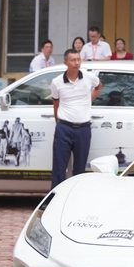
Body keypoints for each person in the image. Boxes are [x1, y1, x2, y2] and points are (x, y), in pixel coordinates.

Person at [49, 48, 102, 189]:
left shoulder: (89, 77)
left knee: (80, 169)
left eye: (78, 59)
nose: (77, 63)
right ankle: (56, 197)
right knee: (59, 167)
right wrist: (58, 123)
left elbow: (99, 86)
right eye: (73, 60)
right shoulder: (57, 82)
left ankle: (76, 196)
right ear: (65, 63)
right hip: (64, 128)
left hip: (83, 129)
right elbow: (56, 103)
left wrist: (88, 100)